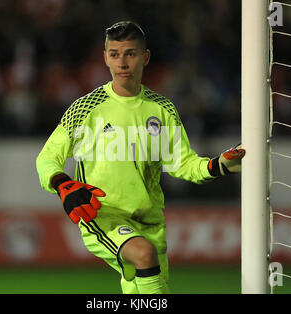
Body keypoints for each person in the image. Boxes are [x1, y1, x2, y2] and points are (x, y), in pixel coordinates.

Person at [36, 21, 245, 294]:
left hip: (150, 221)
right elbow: (47, 158)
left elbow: (183, 164)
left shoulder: (162, 109)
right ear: (105, 58)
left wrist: (218, 166)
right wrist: (63, 183)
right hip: (103, 214)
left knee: (141, 289)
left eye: (130, 53)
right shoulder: (86, 108)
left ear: (145, 58)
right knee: (144, 255)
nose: (122, 62)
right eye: (114, 54)